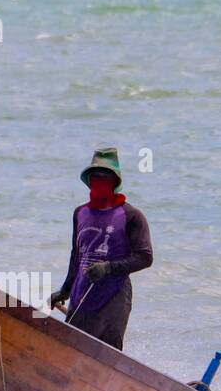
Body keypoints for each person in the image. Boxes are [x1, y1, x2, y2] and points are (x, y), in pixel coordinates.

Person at [49, 147, 152, 350]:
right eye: (95, 176)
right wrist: (65, 290)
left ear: (114, 182)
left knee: (106, 352)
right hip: (81, 292)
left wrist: (108, 268)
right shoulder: (80, 213)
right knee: (70, 349)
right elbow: (76, 256)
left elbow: (145, 257)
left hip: (114, 294)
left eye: (105, 177)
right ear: (88, 180)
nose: (100, 181)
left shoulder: (131, 216)